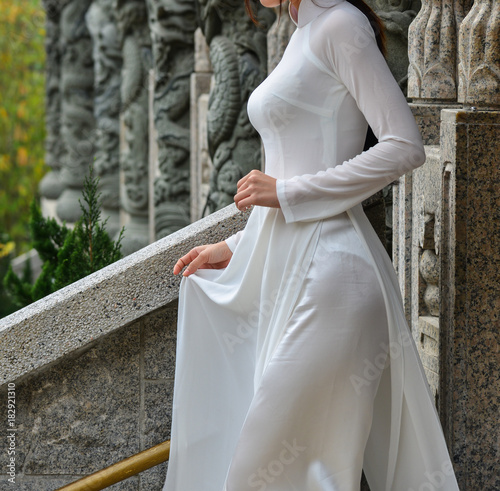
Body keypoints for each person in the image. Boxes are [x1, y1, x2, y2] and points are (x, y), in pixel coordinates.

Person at [163, 0, 460, 489]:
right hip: (288, 270)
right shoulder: (302, 32)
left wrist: (286, 193)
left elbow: (403, 145)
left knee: (266, 475)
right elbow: (297, 160)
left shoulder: (341, 25)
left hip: (333, 278)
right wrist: (240, 245)